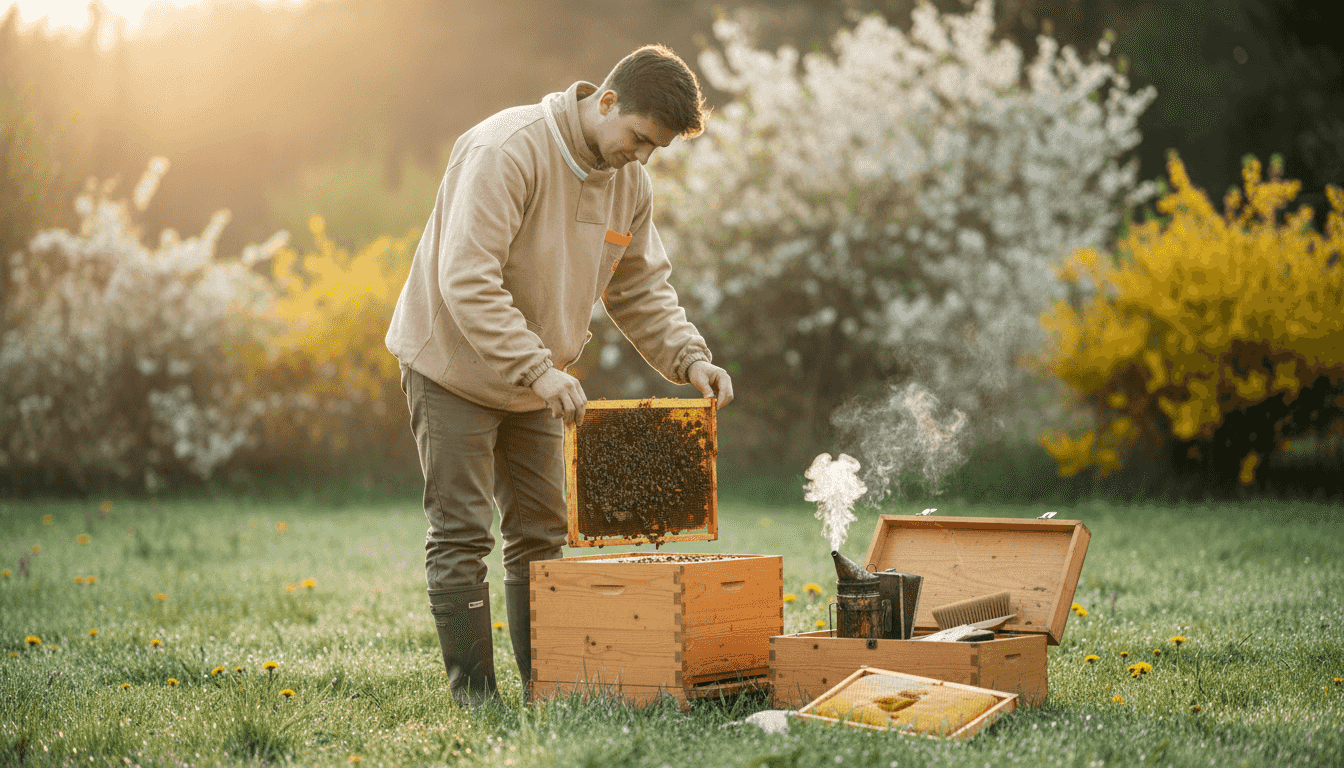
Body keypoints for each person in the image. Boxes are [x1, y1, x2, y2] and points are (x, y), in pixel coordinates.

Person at [385, 44, 734, 704]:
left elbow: (640, 287)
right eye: (636, 137)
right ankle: (476, 697)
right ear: (605, 101)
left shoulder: (630, 182)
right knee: (461, 532)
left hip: (538, 380)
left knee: (542, 534)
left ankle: (547, 688)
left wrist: (691, 357)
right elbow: (467, 280)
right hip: (451, 364)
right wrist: (537, 370)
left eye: (653, 149)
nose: (640, 156)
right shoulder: (506, 149)